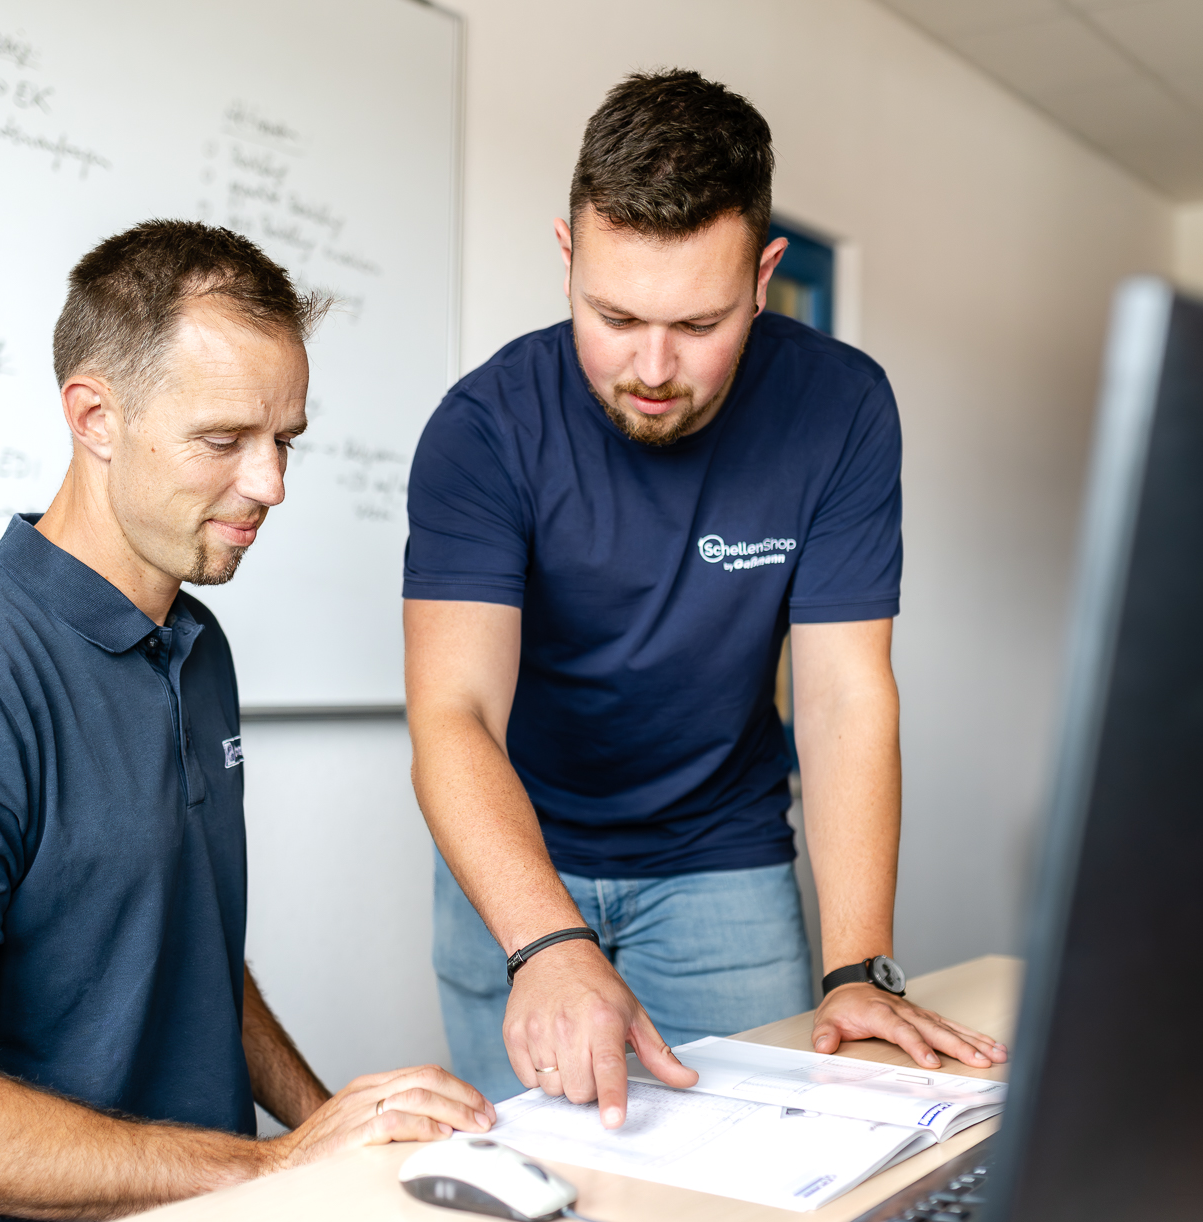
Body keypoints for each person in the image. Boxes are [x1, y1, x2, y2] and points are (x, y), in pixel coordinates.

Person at [0, 221, 493, 1222]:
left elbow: (188, 949)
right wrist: (272, 1169)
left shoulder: (193, 642)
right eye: (225, 439)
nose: (271, 483)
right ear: (95, 416)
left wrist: (342, 1138)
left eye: (287, 438)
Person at [403, 71, 1008, 1124]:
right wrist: (547, 940)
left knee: (768, 1171)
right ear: (567, 255)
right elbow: (453, 712)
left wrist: (858, 963)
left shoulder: (841, 407)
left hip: (721, 859)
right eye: (615, 314)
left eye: (698, 323)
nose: (651, 366)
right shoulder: (483, 428)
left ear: (765, 274)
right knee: (550, 1193)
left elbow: (843, 695)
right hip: (518, 855)